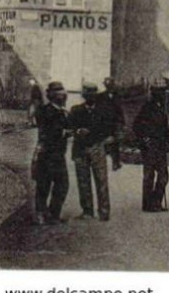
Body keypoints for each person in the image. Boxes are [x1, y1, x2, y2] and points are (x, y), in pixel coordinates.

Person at [69, 83, 113, 221]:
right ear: (83, 95)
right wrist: (77, 131)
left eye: (93, 94)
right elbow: (70, 127)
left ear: (96, 95)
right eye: (88, 94)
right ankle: (87, 211)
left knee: (101, 180)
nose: (90, 96)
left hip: (97, 147)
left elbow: (108, 130)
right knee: (83, 181)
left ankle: (104, 211)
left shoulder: (103, 111)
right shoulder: (75, 110)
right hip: (80, 149)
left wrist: (93, 133)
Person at [31, 81, 70, 224]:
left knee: (62, 184)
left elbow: (67, 127)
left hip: (59, 154)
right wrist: (64, 132)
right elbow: (49, 131)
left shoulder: (62, 111)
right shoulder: (44, 111)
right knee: (43, 184)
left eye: (63, 92)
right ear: (52, 95)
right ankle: (40, 214)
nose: (63, 95)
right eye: (60, 92)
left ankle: (53, 214)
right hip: (46, 153)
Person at [133, 86, 169, 212]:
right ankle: (148, 204)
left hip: (160, 148)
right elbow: (136, 126)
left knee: (163, 176)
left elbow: (165, 130)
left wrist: (168, 144)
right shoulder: (147, 108)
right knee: (149, 176)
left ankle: (155, 202)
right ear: (156, 95)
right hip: (150, 148)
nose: (164, 97)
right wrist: (144, 139)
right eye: (161, 94)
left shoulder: (161, 109)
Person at [98, 77, 125, 172]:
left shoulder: (117, 96)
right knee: (103, 142)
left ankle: (116, 162)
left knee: (115, 143)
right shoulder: (100, 96)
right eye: (107, 85)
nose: (109, 86)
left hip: (114, 123)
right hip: (104, 122)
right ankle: (101, 162)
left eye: (110, 85)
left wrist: (122, 122)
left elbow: (120, 110)